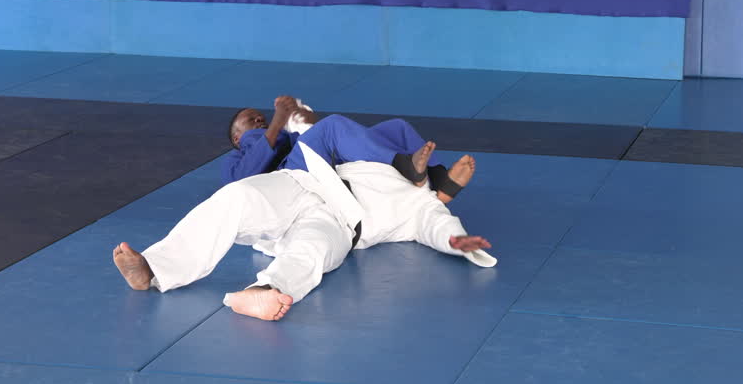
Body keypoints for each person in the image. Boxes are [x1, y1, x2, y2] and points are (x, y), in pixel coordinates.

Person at [112, 143, 492, 321]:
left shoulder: (423, 206)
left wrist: (461, 243)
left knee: (314, 251)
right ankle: (157, 269)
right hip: (306, 185)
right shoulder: (383, 165)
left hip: (341, 222)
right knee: (238, 196)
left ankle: (263, 291)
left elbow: (439, 227)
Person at [222, 96, 467, 202]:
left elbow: (318, 140)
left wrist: (307, 119)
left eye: (259, 117)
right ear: (236, 137)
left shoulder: (282, 135)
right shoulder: (237, 156)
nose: (258, 120)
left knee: (397, 128)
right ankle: (403, 165)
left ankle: (434, 178)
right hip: (287, 176)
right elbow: (246, 178)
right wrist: (276, 122)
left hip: (310, 160)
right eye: (250, 119)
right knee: (333, 125)